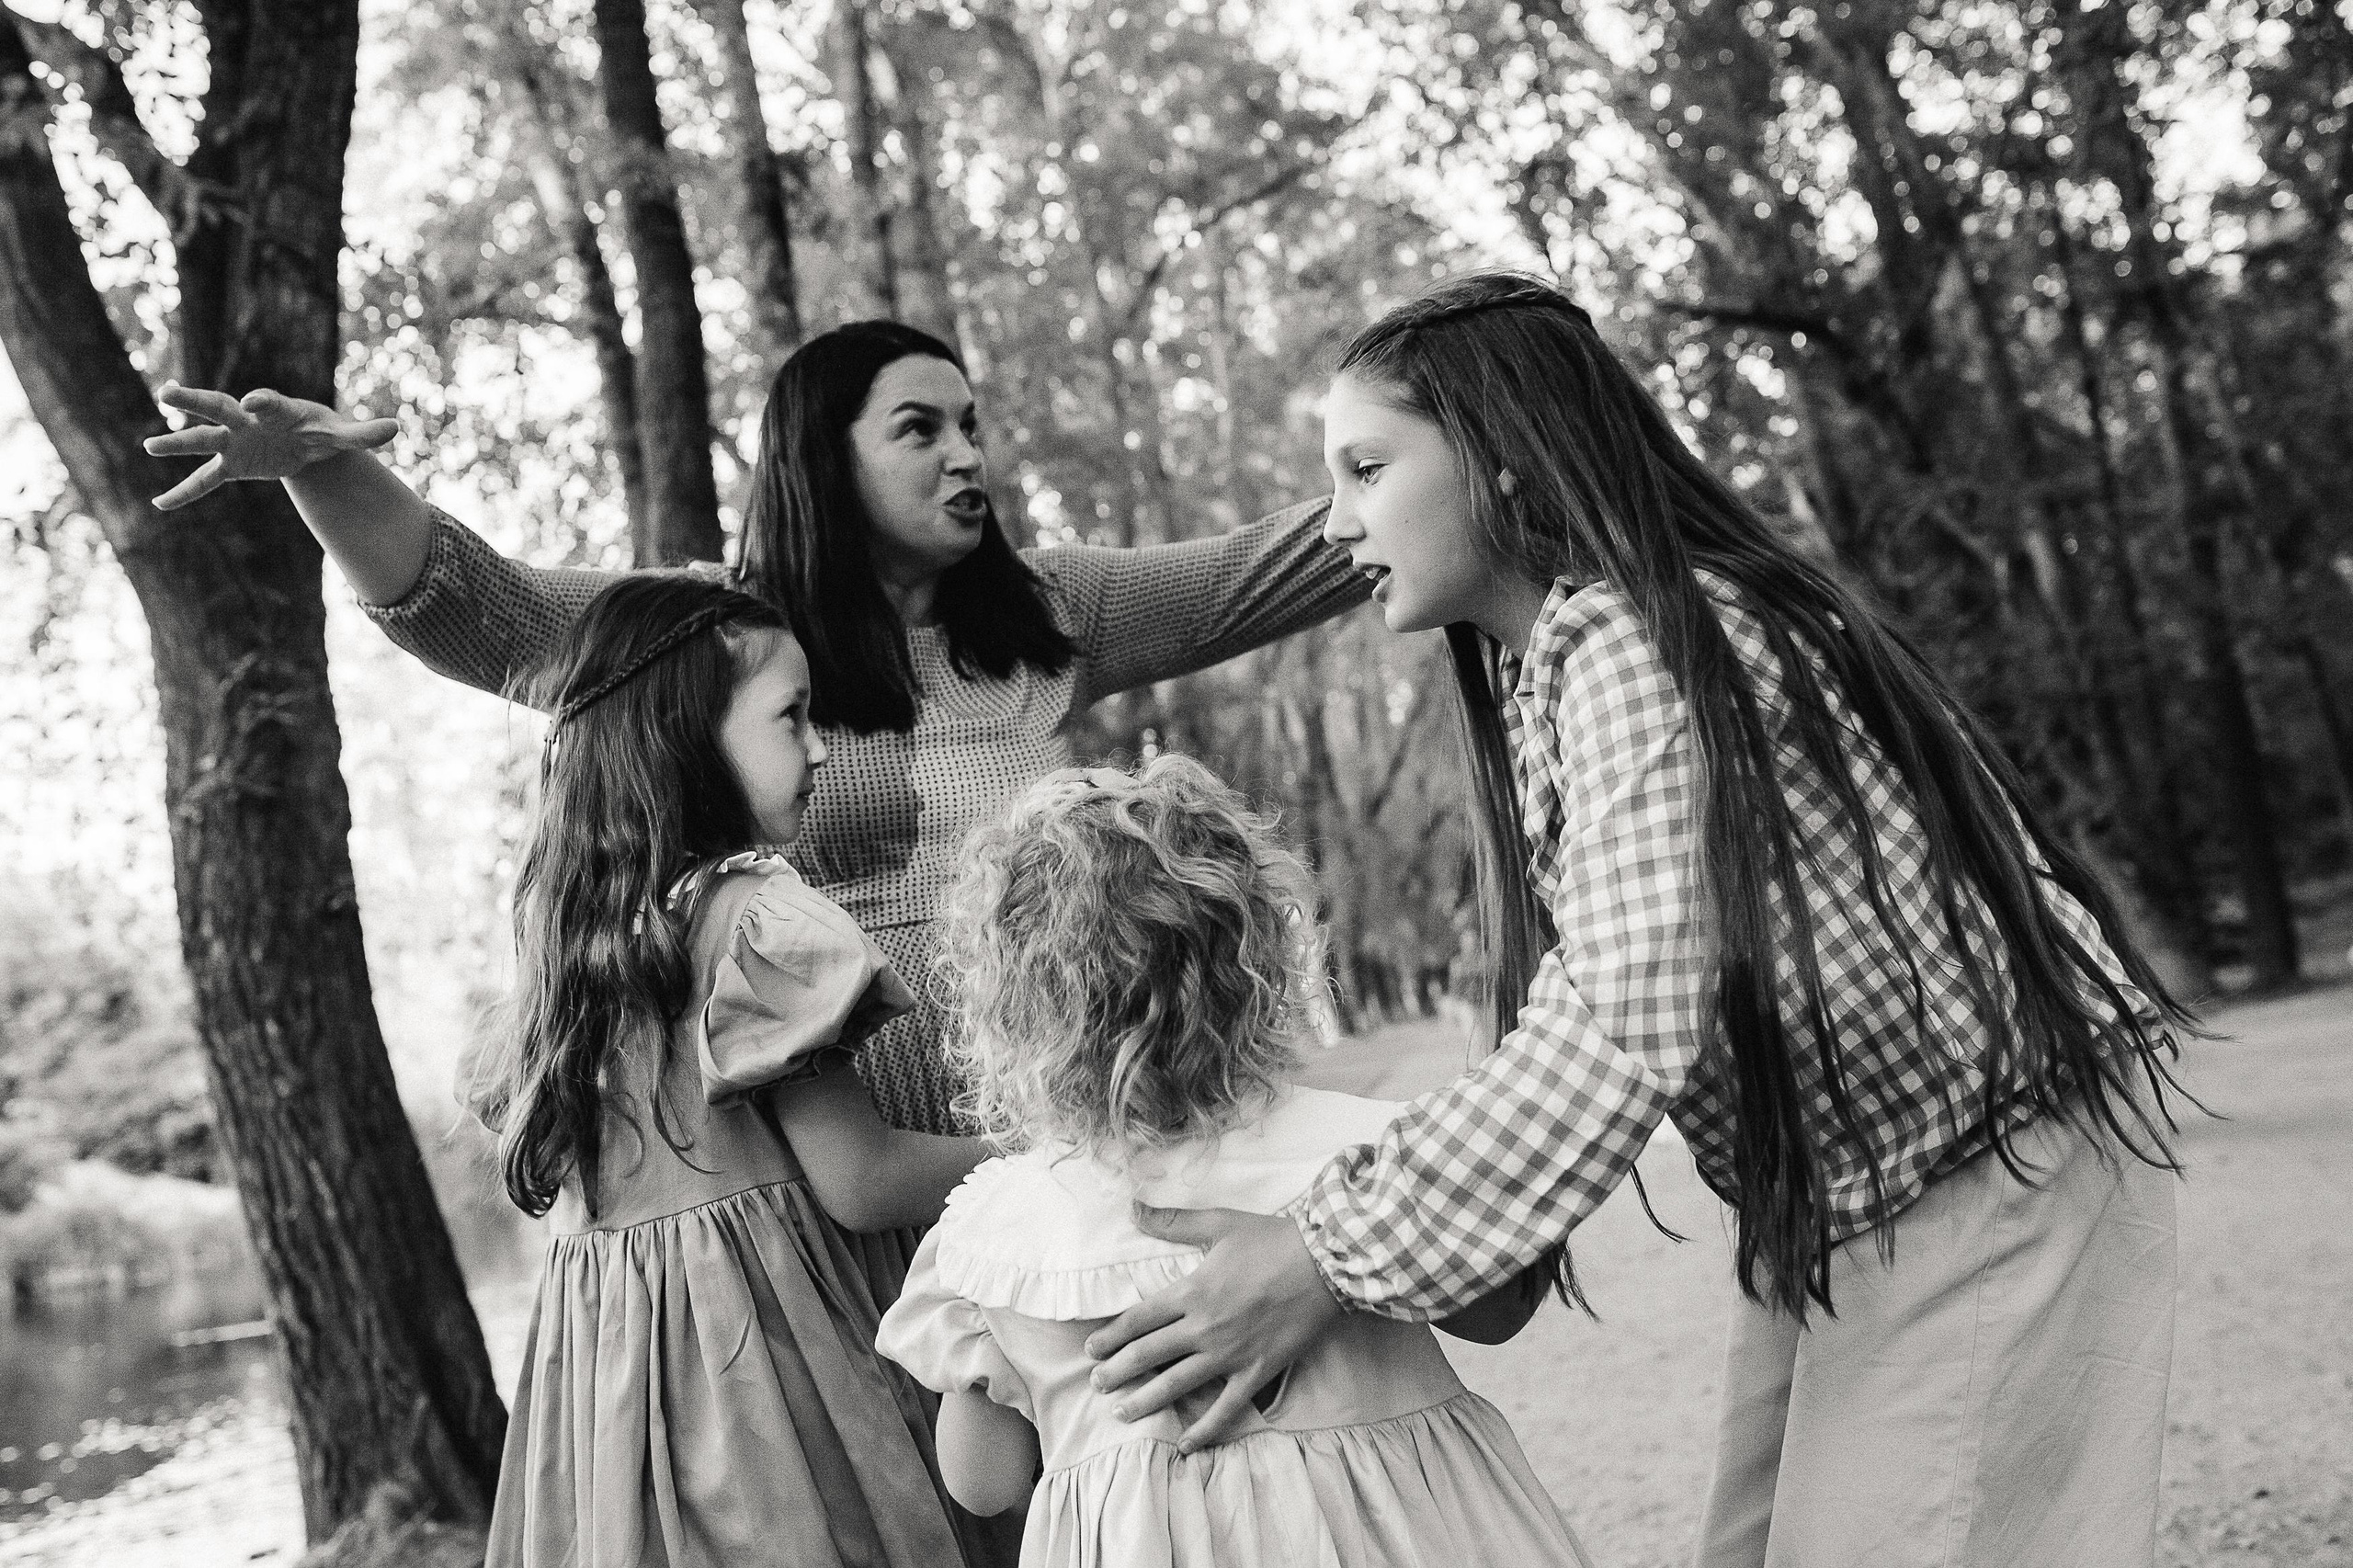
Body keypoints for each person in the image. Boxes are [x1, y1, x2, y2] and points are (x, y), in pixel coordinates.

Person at [1083, 274, 2192, 1568]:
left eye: (1367, 467)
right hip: (1858, 1196)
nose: (1335, 524)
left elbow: (1619, 1012)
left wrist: (1323, 1253)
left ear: (1502, 454)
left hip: (1987, 1168)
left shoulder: (1639, 643)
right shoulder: (1566, 664)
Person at [142, 320, 1367, 1155]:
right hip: (837, 1159)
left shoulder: (1060, 608)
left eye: (970, 424)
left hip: (1060, 1117)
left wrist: (1450, 454)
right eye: (920, 429)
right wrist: (323, 476)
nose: (967, 453)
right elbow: (486, 616)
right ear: (822, 463)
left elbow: (1275, 565)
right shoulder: (720, 636)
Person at [874, 755, 1593, 1568]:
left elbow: (984, 1480)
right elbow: (1496, 1314)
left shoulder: (1001, 1230)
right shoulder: (1367, 1149)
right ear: (1257, 964)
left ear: (1012, 1013)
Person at [459, 571, 989, 1567]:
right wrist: (1037, 1151)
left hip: (609, 1410)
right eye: (792, 717)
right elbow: (863, 1180)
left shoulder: (575, 954)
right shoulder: (758, 923)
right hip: (776, 1390)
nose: (822, 747)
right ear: (686, 735)